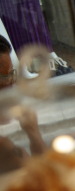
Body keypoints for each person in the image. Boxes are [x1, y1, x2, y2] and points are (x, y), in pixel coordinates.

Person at [0, 35, 47, 173]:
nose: (11, 82)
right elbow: (44, 176)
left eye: (11, 74)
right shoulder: (5, 147)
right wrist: (34, 133)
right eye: (3, 77)